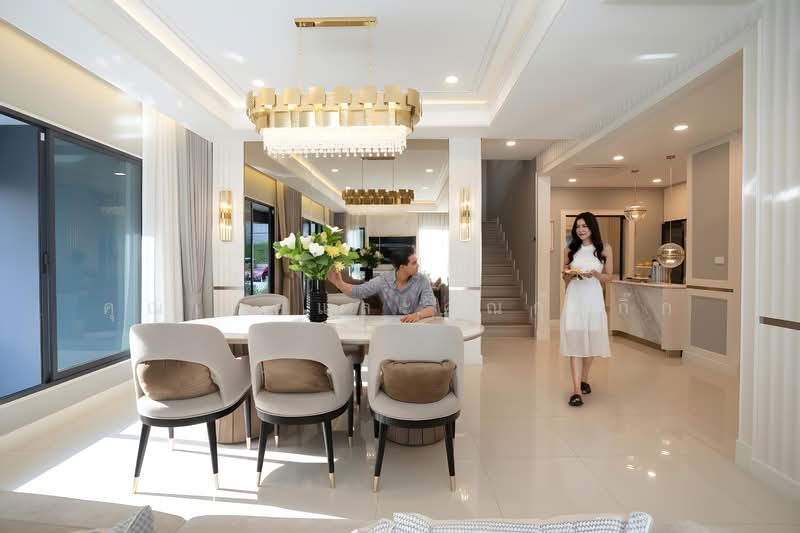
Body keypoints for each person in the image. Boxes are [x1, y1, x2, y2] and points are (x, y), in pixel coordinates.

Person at [560, 212, 613, 407]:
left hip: (593, 298)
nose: (580, 230)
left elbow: (609, 276)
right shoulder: (569, 249)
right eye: (578, 226)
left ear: (592, 227)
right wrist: (569, 274)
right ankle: (576, 391)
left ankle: (584, 379)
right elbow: (564, 276)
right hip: (574, 298)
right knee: (575, 339)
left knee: (590, 339)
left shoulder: (604, 248)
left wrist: (597, 276)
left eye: (584, 226)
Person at [327, 246, 436, 323]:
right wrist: (339, 283)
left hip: (414, 326)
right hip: (388, 328)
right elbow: (358, 291)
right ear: (402, 267)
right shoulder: (383, 280)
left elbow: (431, 308)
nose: (418, 265)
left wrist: (418, 315)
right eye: (414, 263)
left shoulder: (422, 280)